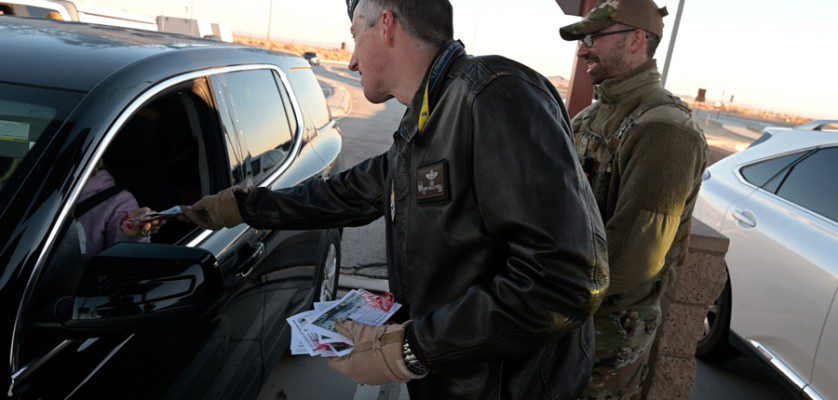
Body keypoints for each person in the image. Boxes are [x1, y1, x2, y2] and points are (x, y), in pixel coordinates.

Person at [181, 0, 608, 398]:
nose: (349, 60)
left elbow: (565, 279)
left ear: (386, 24)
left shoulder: (492, 95)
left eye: (354, 35)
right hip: (455, 379)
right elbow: (342, 194)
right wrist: (237, 207)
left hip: (509, 387)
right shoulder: (427, 119)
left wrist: (411, 348)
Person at [558, 0, 709, 398]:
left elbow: (633, 258)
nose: (582, 49)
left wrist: (535, 296)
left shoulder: (665, 131)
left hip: (608, 334)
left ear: (637, 40)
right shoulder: (588, 120)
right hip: (564, 314)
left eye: (593, 38)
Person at [75, 160, 163, 256]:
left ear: (98, 162)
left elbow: (126, 260)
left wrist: (130, 235)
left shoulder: (120, 201)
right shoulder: (58, 189)